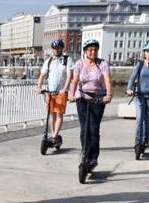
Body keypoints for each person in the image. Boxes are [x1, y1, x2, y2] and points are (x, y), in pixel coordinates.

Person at [68, 39, 112, 171]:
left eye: (95, 49)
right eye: (90, 50)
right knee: (84, 129)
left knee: (94, 129)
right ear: (85, 51)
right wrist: (71, 94)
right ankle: (85, 153)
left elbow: (107, 80)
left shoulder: (102, 64)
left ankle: (93, 157)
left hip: (98, 98)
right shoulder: (79, 63)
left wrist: (108, 94)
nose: (93, 52)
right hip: (82, 97)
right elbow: (75, 80)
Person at [35, 39, 73, 146]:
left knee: (59, 114)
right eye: (54, 48)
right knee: (51, 114)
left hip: (61, 92)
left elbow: (69, 76)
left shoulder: (67, 59)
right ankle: (53, 136)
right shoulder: (49, 61)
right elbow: (42, 75)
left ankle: (54, 136)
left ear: (62, 48)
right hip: (50, 92)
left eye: (58, 48)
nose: (56, 50)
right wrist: (39, 87)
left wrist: (65, 89)